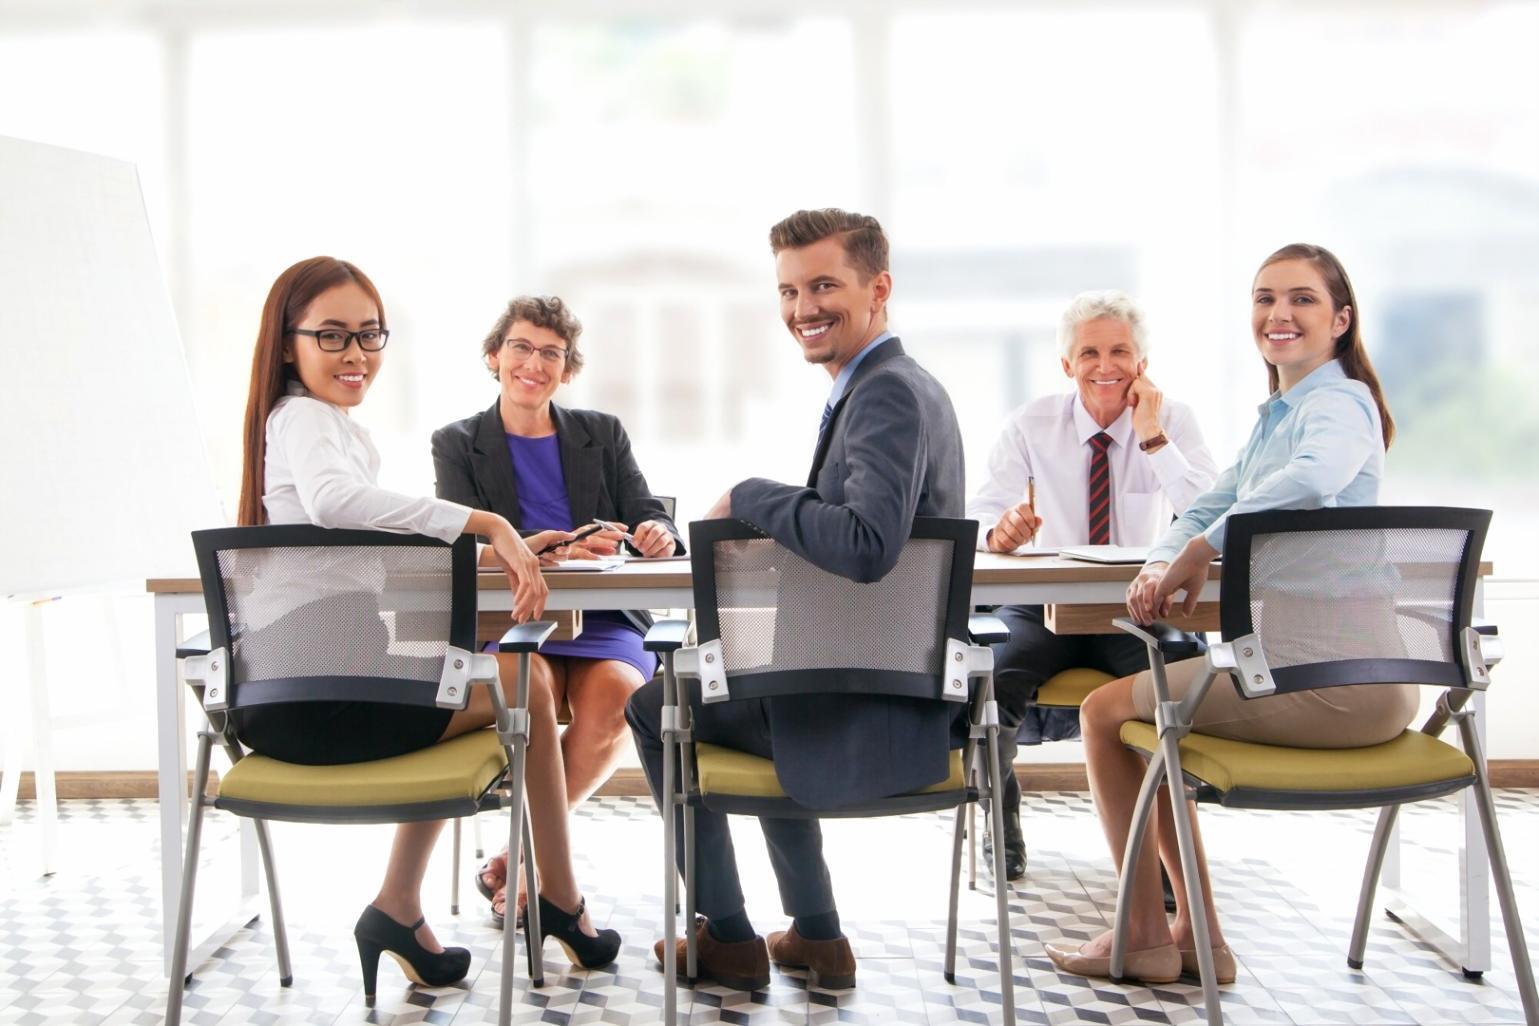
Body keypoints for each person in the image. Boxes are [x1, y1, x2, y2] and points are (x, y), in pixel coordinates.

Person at [233, 257, 608, 1006]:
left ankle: (399, 909)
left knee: (500, 686)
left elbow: (358, 540)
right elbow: (338, 501)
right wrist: (487, 521)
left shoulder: (319, 426)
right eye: (332, 336)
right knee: (524, 682)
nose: (356, 354)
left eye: (369, 335)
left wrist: (500, 548)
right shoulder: (303, 419)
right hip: (322, 705)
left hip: (306, 692)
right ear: (287, 344)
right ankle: (560, 901)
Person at [626, 208, 966, 991]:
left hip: (869, 707)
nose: (802, 308)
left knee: (654, 708)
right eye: (787, 291)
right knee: (763, 680)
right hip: (871, 686)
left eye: (822, 286)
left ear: (877, 289)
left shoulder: (885, 393)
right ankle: (816, 936)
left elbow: (866, 545)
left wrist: (751, 493)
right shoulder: (891, 386)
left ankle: (728, 936)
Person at [1045, 243, 1401, 986]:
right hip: (1323, 672)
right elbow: (1213, 499)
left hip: (1330, 683)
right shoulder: (1283, 414)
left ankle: (1146, 931)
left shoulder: (1338, 404)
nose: (1278, 313)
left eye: (1301, 299)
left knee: (1106, 713)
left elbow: (1311, 481)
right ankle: (1193, 932)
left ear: (1339, 320)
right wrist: (1163, 557)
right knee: (1141, 712)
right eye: (1264, 297)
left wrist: (1201, 547)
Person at [431, 294, 682, 931]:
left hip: (603, 618)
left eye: (551, 353)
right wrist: (564, 544)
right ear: (495, 357)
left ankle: (523, 855)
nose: (534, 362)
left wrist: (655, 533)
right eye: (521, 347)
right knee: (531, 691)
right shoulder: (457, 443)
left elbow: (646, 510)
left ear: (567, 369)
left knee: (617, 700)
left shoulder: (602, 433)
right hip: (517, 616)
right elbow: (469, 546)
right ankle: (535, 867)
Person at [965, 290, 1218, 878]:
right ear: (1066, 365)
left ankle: (1165, 855)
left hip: (1133, 606)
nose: (1106, 366)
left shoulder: (1173, 420)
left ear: (1142, 362)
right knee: (993, 681)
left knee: (1170, 688)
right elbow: (977, 516)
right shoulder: (1031, 424)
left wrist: (1152, 436)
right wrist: (1000, 533)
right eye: (1090, 353)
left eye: (1120, 352)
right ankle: (1000, 819)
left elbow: (1206, 512)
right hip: (1041, 604)